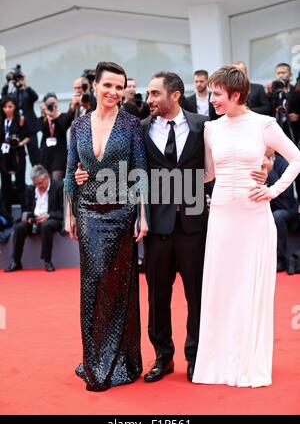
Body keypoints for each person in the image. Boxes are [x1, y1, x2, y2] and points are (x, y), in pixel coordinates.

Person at [75, 71, 266, 383]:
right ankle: (163, 357)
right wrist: (87, 175)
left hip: (194, 224)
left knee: (197, 296)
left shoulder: (203, 125)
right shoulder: (140, 129)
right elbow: (124, 168)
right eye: (148, 94)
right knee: (157, 298)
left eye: (154, 94)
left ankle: (195, 357)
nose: (148, 100)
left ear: (175, 95)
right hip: (158, 227)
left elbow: (229, 154)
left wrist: (262, 169)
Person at [192, 66, 300, 387]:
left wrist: (272, 189)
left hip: (254, 216)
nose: (211, 100)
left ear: (236, 94)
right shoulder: (212, 129)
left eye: (217, 94)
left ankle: (247, 361)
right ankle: (218, 363)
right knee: (221, 288)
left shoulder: (263, 125)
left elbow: (296, 158)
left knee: (249, 288)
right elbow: (208, 174)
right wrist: (171, 180)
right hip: (223, 215)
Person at [64, 61, 148, 392]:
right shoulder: (78, 126)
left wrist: (143, 214)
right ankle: (94, 358)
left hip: (122, 211)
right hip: (88, 212)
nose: (114, 92)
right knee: (92, 284)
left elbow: (140, 171)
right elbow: (72, 171)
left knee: (120, 285)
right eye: (108, 85)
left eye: (119, 86)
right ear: (95, 87)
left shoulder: (131, 125)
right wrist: (70, 211)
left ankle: (121, 361)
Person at [5, 165, 63, 273]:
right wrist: (29, 217)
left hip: (51, 218)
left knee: (46, 226)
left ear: (46, 177)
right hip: (35, 219)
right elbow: (27, 209)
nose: (38, 186)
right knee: (19, 227)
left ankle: (47, 261)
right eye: (36, 184)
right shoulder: (31, 189)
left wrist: (48, 216)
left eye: (40, 183)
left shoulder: (58, 186)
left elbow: (63, 211)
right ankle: (16, 261)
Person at [0, 96, 30, 213]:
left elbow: (28, 137)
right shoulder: (2, 120)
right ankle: (6, 215)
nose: (7, 109)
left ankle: (24, 212)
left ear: (15, 107)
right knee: (5, 185)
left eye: (10, 107)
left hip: (17, 154)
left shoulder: (20, 119)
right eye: (5, 107)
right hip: (4, 156)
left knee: (20, 184)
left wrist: (19, 143)